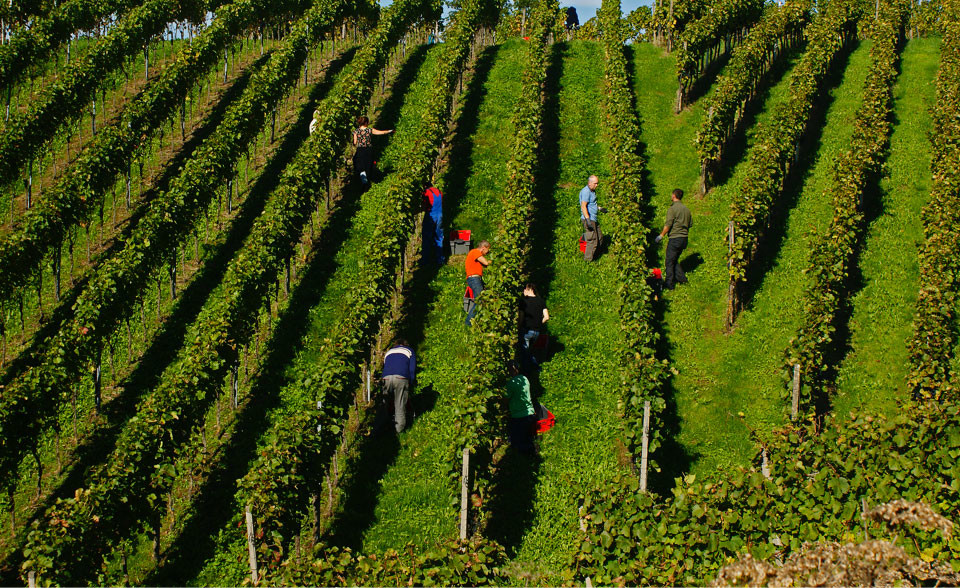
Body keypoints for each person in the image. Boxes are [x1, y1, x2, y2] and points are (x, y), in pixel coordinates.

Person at [655, 188, 692, 290]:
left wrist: (661, 235)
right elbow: (690, 224)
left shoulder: (672, 209)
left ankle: (669, 284)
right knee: (674, 259)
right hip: (684, 239)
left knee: (669, 262)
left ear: (674, 196)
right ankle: (682, 279)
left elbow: (668, 224)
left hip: (675, 238)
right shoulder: (686, 209)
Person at [381, 339, 416, 433]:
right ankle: (399, 431)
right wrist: (411, 382)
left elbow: (386, 366)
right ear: (405, 344)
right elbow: (412, 369)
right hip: (401, 377)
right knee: (399, 404)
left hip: (386, 378)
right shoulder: (409, 351)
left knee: (385, 404)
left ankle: (382, 428)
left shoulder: (389, 352)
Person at [505, 360, 536, 454]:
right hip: (529, 412)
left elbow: (506, 398)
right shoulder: (524, 379)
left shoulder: (511, 383)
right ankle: (532, 454)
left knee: (518, 440)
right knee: (528, 438)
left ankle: (523, 458)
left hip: (518, 415)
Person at [352, 116, 393, 186]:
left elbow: (355, 142)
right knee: (368, 164)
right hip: (368, 149)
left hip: (360, 150)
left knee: (360, 166)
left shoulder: (356, 131)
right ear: (365, 123)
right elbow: (381, 132)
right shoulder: (369, 130)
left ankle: (364, 182)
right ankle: (370, 178)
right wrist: (390, 131)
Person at [464, 241, 491, 326]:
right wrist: (493, 261)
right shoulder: (475, 252)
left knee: (482, 298)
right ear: (484, 248)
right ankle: (468, 322)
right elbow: (486, 262)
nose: (488, 252)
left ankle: (478, 319)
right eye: (488, 250)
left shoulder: (476, 255)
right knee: (479, 300)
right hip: (474, 278)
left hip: (476, 279)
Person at [579, 175, 602, 261]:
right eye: (595, 183)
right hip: (589, 219)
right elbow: (583, 206)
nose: (597, 185)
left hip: (594, 219)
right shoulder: (586, 192)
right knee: (592, 240)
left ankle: (596, 255)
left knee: (599, 237)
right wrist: (588, 220)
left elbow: (591, 204)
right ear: (589, 183)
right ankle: (588, 260)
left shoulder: (592, 191)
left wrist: (599, 208)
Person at [520, 283, 549, 351]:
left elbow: (521, 317)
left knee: (525, 353)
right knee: (531, 352)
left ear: (528, 289)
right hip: (536, 331)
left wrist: (519, 327)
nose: (523, 292)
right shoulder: (541, 301)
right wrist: (539, 323)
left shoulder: (523, 301)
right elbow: (546, 317)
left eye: (524, 290)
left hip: (526, 330)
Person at [423, 186, 445, 265]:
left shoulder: (427, 192)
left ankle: (426, 260)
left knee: (427, 238)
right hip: (440, 216)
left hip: (431, 216)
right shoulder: (439, 192)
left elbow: (425, 204)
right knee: (439, 237)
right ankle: (440, 259)